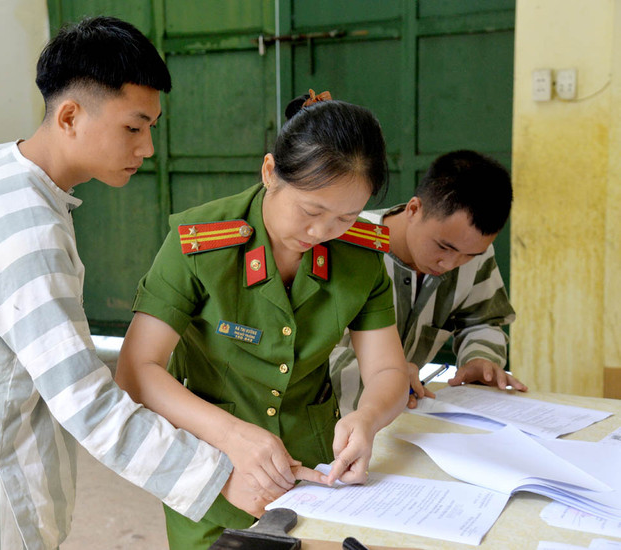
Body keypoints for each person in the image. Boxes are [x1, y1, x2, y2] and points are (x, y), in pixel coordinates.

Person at [0, 16, 275, 550]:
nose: (146, 149)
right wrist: (218, 475)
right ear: (70, 115)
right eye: (132, 127)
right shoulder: (26, 227)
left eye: (151, 129)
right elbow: (88, 402)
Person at [114, 90, 411, 550]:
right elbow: (137, 370)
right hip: (209, 467)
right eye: (311, 211)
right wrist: (233, 437)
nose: (322, 233)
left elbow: (388, 369)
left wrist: (369, 418)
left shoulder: (362, 254)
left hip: (312, 477)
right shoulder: (199, 245)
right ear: (270, 172)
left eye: (345, 217)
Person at [330, 149, 527, 415]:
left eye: (470, 254)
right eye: (443, 246)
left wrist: (481, 358)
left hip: (404, 421)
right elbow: (304, 353)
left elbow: (483, 320)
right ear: (414, 209)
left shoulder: (472, 254)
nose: (450, 264)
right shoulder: (345, 244)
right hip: (329, 421)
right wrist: (390, 375)